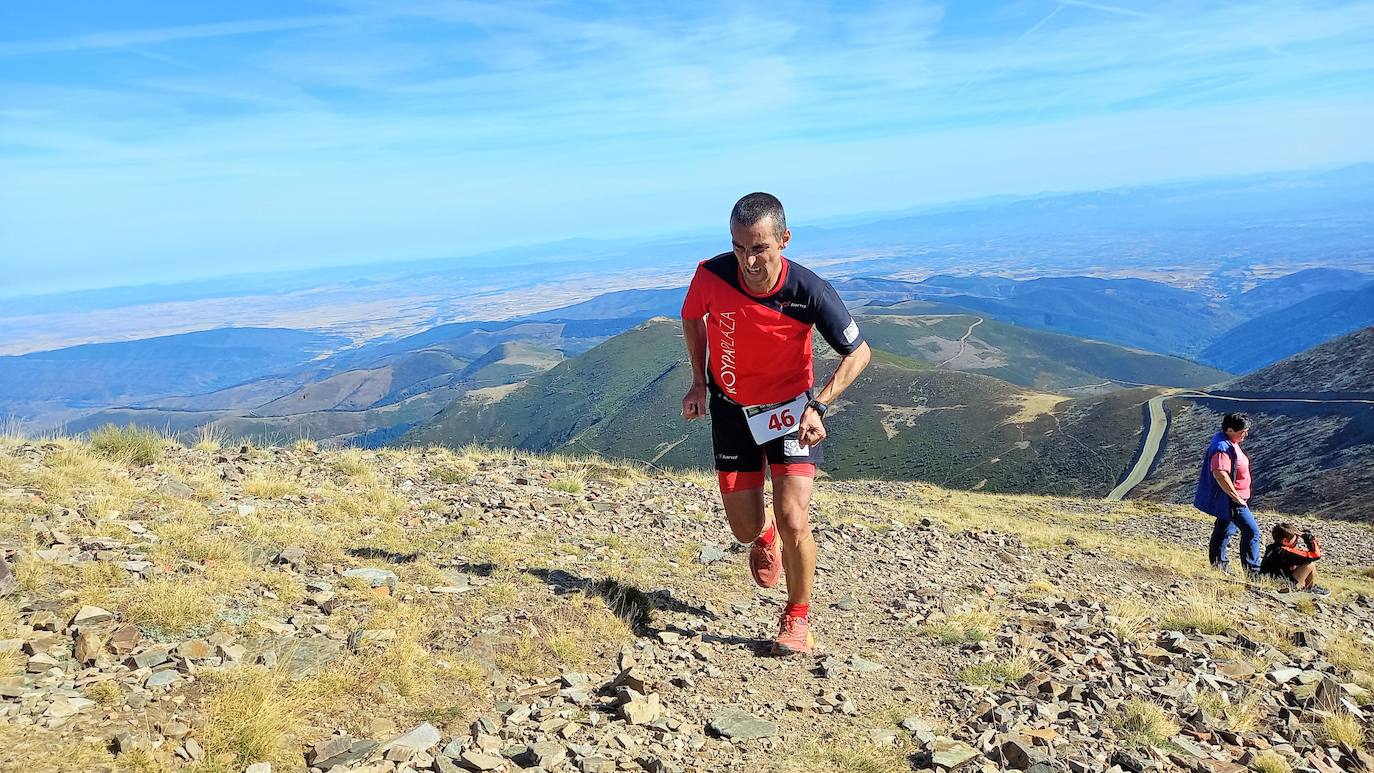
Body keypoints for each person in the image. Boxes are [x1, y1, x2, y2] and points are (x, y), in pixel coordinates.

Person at [680, 192, 871, 656]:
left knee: (793, 517)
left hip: (789, 412)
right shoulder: (711, 275)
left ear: (783, 240)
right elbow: (691, 317)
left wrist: (819, 405)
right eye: (739, 247)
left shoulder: (809, 292)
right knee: (745, 528)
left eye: (759, 247)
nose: (748, 259)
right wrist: (698, 382)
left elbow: (859, 353)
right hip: (731, 410)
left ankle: (797, 617)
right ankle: (762, 537)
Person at [1193, 413, 1260, 575]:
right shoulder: (1222, 448)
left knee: (1223, 530)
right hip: (1231, 500)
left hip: (1231, 498)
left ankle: (1218, 566)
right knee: (1252, 531)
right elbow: (1219, 473)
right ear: (1230, 430)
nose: (1246, 434)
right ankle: (1253, 572)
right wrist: (1235, 497)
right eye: (1243, 431)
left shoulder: (1228, 442)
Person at [1259, 522, 1329, 595]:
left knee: (1300, 564)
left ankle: (1308, 587)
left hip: (1271, 581)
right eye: (1295, 539)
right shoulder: (1284, 552)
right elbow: (1315, 555)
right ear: (1285, 541)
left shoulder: (1272, 548)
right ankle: (1310, 588)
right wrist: (1310, 539)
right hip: (1283, 586)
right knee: (1309, 565)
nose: (1297, 541)